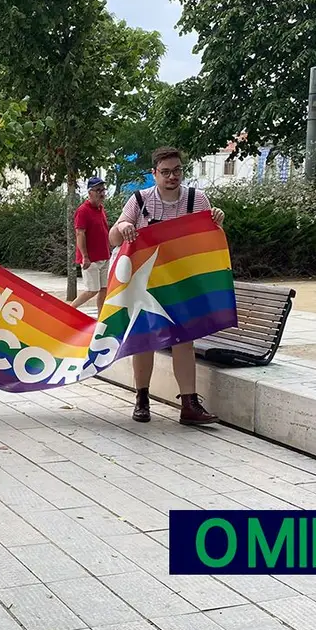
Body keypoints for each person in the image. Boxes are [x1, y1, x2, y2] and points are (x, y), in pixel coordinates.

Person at [109, 146, 225, 426]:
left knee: (185, 339)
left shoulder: (197, 200)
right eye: (165, 172)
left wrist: (218, 221)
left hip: (183, 283)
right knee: (143, 340)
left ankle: (189, 403)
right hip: (146, 285)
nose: (172, 176)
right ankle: (142, 399)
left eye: (177, 171)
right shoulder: (139, 200)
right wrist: (124, 226)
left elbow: (213, 240)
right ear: (154, 174)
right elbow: (114, 237)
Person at [71, 177, 112, 310]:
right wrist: (85, 256)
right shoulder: (83, 211)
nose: (102, 193)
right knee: (92, 290)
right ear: (90, 193)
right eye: (98, 190)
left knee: (104, 289)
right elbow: (80, 233)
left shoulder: (101, 209)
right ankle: (70, 309)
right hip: (91, 259)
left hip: (104, 256)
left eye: (103, 190)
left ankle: (100, 320)